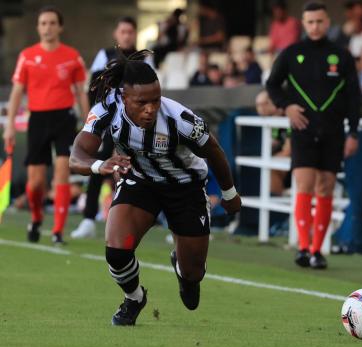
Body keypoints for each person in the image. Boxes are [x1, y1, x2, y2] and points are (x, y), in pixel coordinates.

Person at [69, 50, 241, 326]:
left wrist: (229, 194)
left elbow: (215, 151)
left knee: (193, 274)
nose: (151, 108)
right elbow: (77, 155)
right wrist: (98, 165)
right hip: (141, 182)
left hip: (185, 187)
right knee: (116, 250)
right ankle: (134, 298)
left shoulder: (180, 119)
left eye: (156, 100)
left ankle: (184, 269)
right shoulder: (106, 109)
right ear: (124, 97)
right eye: (142, 102)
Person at [266, 2, 360, 269]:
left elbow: (354, 97)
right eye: (310, 22)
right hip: (303, 130)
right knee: (304, 185)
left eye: (319, 21)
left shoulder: (342, 56)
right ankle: (304, 248)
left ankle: (318, 250)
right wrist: (287, 107)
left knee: (326, 187)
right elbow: (272, 84)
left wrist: (353, 132)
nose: (315, 26)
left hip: (333, 131)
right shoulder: (291, 53)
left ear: (327, 22)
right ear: (304, 24)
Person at [3, 6, 89, 245]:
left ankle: (57, 231)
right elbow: (17, 92)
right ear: (38, 27)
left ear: (60, 27)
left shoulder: (72, 56)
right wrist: (9, 125)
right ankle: (37, 217)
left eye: (52, 23)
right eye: (43, 23)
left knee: (62, 170)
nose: (47, 27)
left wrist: (89, 122)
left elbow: (80, 92)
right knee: (36, 182)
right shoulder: (27, 56)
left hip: (64, 119)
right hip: (38, 120)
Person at [72, 16, 146, 239]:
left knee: (145, 169)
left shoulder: (143, 58)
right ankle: (88, 218)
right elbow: (93, 88)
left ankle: (148, 218)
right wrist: (94, 119)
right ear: (116, 33)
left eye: (130, 32)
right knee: (97, 165)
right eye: (122, 31)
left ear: (135, 34)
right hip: (109, 122)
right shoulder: (105, 55)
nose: (126, 35)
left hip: (135, 125)